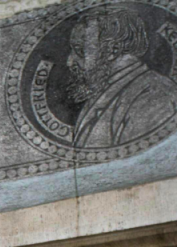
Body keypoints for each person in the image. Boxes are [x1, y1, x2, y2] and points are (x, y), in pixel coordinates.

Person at [66, 7, 177, 148]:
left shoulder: (155, 94)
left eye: (80, 50)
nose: (69, 62)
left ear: (113, 50)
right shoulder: (105, 90)